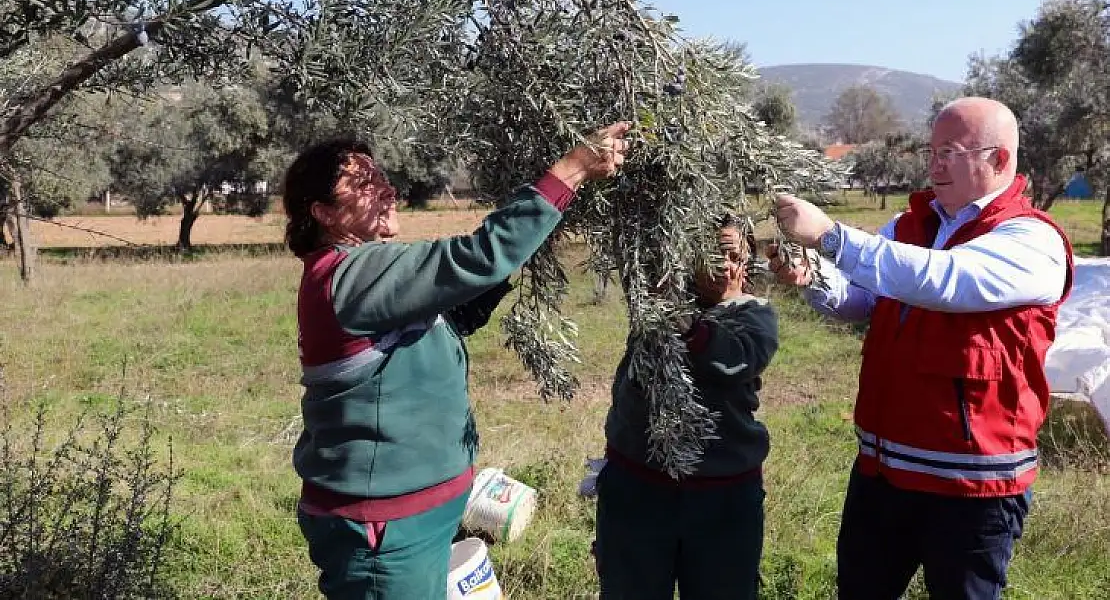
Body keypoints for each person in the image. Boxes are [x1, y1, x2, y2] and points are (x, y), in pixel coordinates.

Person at [282, 121, 631, 600]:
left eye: (382, 178)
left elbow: (453, 312)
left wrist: (533, 233)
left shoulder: (369, 271)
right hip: (384, 532)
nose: (386, 189)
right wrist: (571, 170)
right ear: (323, 212)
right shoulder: (350, 275)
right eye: (363, 185)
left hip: (414, 517)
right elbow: (478, 258)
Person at [769, 96, 1075, 599]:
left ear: (998, 159)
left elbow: (945, 280)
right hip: (883, 472)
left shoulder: (1031, 239)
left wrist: (831, 237)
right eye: (930, 151)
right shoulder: (911, 225)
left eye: (949, 152)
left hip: (972, 489)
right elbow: (861, 300)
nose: (933, 164)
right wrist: (813, 278)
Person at [593, 215, 779, 600]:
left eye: (733, 256)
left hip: (723, 498)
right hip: (637, 487)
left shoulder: (755, 315)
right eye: (710, 255)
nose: (722, 267)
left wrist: (686, 326)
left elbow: (736, 359)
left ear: (746, 265)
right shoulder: (657, 301)